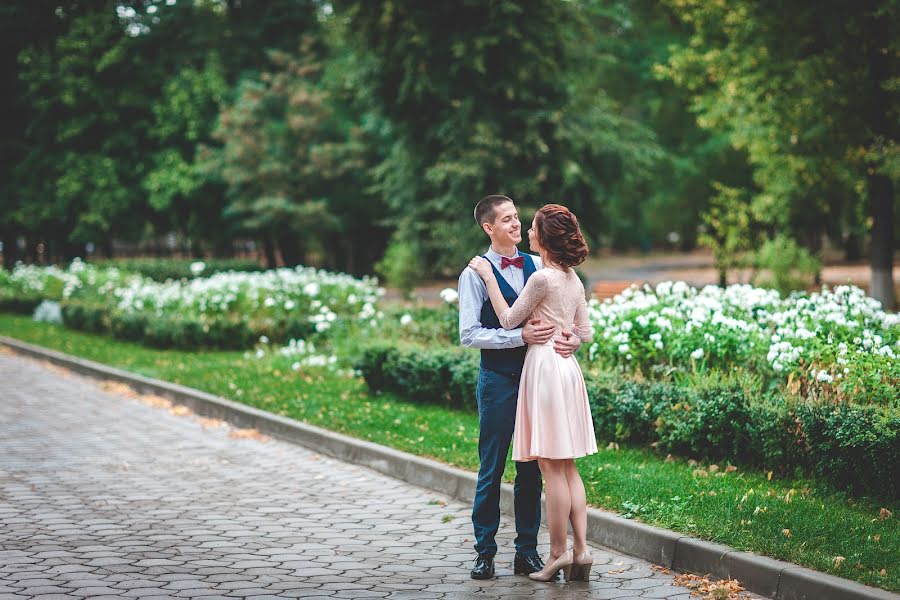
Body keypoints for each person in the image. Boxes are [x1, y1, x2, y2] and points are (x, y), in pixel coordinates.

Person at [467, 203, 597, 582]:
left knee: (550, 468)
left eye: (530, 225)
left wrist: (490, 278)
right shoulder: (571, 277)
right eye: (510, 219)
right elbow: (584, 330)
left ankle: (555, 553)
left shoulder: (539, 275)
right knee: (565, 466)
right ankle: (580, 550)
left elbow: (509, 319)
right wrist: (570, 336)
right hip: (562, 370)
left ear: (545, 238)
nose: (524, 229)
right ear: (489, 227)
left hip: (543, 369)